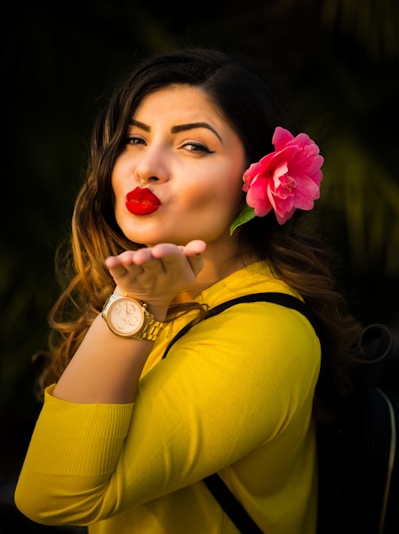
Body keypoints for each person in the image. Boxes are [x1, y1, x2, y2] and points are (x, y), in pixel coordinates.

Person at [14, 47, 363, 533]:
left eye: (193, 146)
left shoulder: (265, 335)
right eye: (134, 139)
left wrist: (136, 305)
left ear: (258, 180)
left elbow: (50, 496)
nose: (146, 167)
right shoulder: (165, 296)